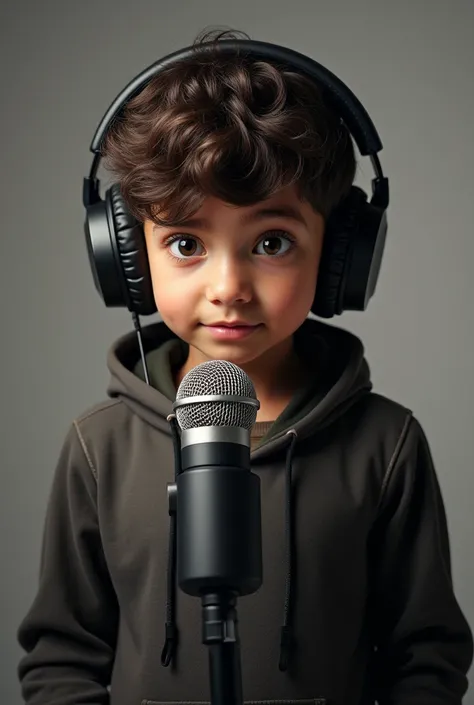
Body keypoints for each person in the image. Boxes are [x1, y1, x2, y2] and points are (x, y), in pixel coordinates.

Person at [17, 28, 473, 705]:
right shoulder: (98, 447)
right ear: (129, 261)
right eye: (184, 241)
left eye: (271, 241)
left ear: (340, 254)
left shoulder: (387, 445)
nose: (229, 285)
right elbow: (62, 656)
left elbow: (426, 657)